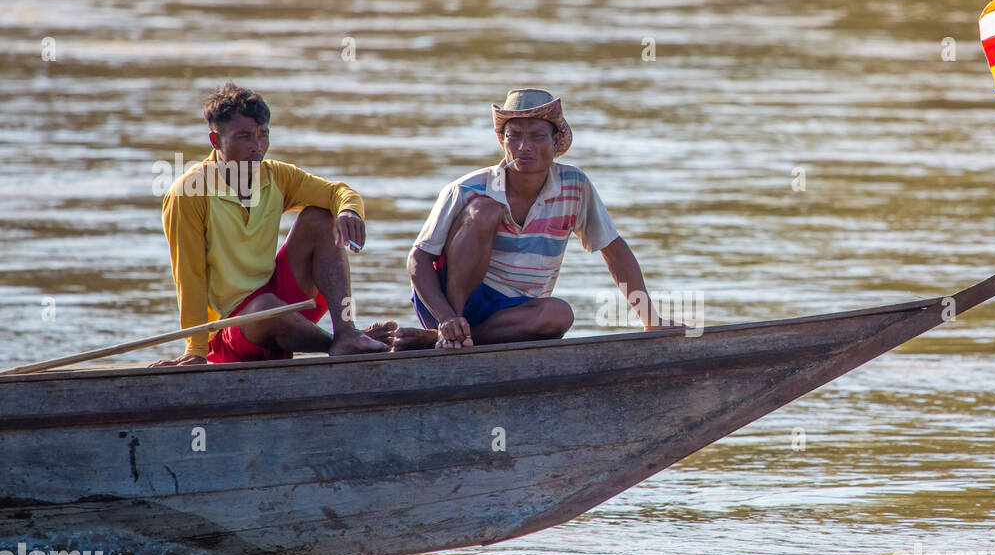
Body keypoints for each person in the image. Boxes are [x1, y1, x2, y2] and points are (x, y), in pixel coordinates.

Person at [394, 88, 676, 350]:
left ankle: (446, 340)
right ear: (503, 142)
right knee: (485, 211)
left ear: (555, 142)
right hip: (452, 303)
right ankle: (450, 332)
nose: (524, 147)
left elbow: (614, 251)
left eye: (537, 136)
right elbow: (417, 259)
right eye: (514, 136)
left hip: (514, 313)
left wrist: (651, 319)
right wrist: (446, 318)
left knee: (559, 314)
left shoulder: (575, 186)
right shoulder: (466, 189)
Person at [151, 82, 390, 366]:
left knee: (321, 216)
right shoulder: (189, 192)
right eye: (243, 137)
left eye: (262, 135)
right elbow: (188, 277)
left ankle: (347, 332)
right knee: (265, 308)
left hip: (278, 305)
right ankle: (338, 343)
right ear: (215, 141)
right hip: (229, 330)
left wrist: (350, 210)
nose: (257, 147)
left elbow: (338, 192)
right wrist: (196, 351)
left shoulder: (276, 176)